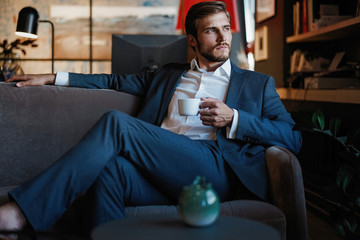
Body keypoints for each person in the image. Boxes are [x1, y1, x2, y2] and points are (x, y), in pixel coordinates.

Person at [0, 1, 302, 236]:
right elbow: (112, 82)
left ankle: (22, 212)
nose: (224, 37)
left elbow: (293, 137)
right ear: (193, 40)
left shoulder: (256, 83)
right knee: (111, 171)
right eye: (212, 30)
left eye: (226, 28)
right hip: (162, 170)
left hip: (214, 170)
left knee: (117, 123)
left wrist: (234, 118)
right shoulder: (168, 75)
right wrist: (54, 76)